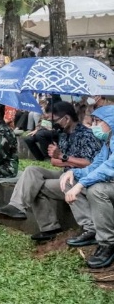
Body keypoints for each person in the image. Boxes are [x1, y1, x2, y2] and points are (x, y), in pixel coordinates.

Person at [0, 101, 100, 242]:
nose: (51, 124)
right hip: (65, 173)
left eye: (53, 120)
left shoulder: (87, 135)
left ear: (66, 119)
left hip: (81, 179)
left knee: (37, 186)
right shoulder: (64, 135)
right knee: (31, 171)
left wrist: (63, 157)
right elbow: (54, 161)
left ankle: (60, 228)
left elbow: (89, 163)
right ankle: (16, 207)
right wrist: (62, 158)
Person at [61, 106, 114, 268]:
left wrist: (82, 184)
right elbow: (96, 165)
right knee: (69, 182)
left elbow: (108, 168)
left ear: (111, 121)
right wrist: (74, 173)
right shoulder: (108, 142)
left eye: (98, 121)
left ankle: (108, 243)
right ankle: (91, 229)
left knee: (96, 190)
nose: (94, 125)